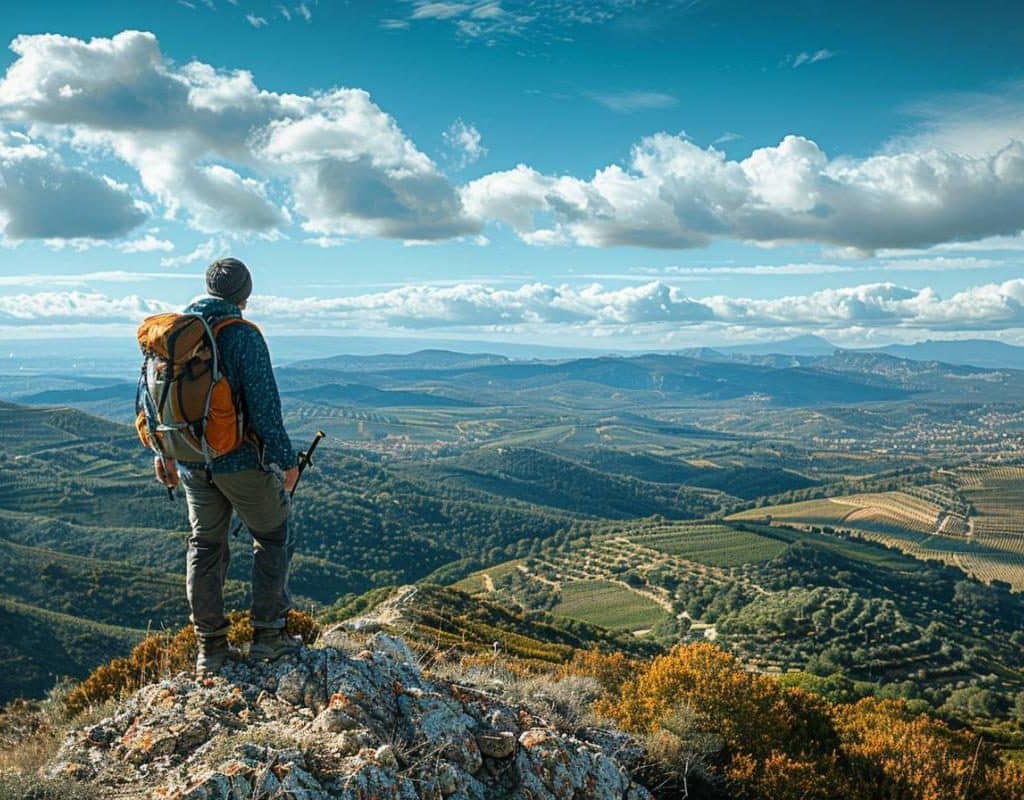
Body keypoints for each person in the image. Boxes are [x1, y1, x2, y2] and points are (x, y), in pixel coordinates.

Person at [154, 257, 301, 674]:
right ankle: (269, 637)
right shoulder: (242, 335)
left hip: (189, 460)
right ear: (245, 295)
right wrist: (286, 462)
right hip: (239, 461)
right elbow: (265, 409)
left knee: (205, 545)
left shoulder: (173, 333)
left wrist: (163, 454)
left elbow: (154, 401)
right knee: (274, 536)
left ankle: (211, 648)